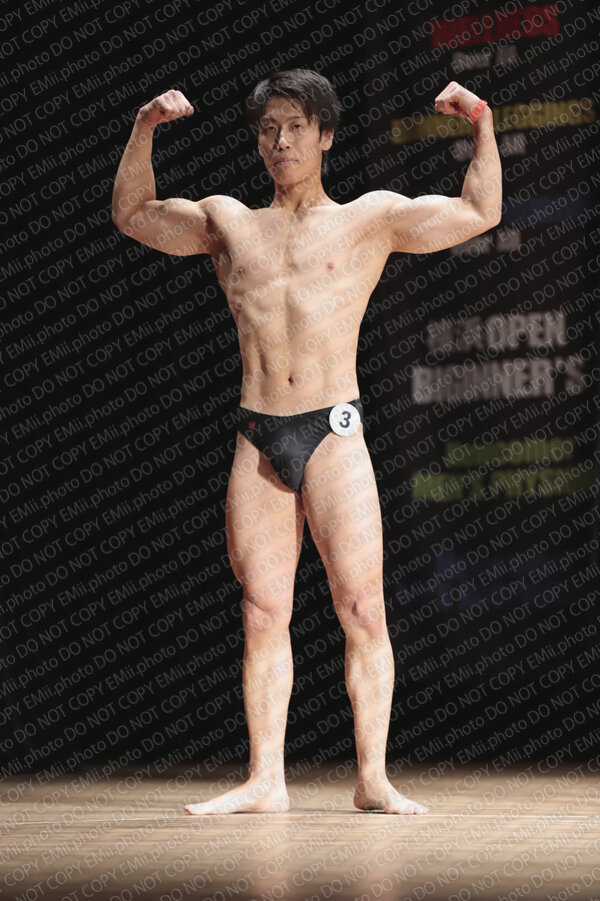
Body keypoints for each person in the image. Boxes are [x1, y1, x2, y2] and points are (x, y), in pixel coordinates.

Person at [111, 69, 501, 815]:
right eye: (268, 129)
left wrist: (480, 118)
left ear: (325, 136)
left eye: (295, 126)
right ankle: (266, 779)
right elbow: (133, 213)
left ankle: (372, 778)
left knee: (362, 607)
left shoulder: (368, 218)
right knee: (262, 610)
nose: (281, 141)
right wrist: (144, 127)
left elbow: (480, 210)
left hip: (333, 430)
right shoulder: (230, 222)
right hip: (259, 429)